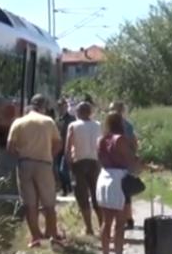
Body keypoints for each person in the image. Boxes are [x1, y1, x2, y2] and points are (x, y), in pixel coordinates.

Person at [7, 94, 65, 249]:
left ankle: (35, 238)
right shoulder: (48, 121)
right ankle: (53, 236)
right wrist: (49, 156)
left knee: (30, 204)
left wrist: (22, 157)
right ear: (43, 107)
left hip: (25, 164)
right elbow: (58, 144)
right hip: (44, 164)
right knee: (48, 203)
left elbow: (10, 147)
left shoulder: (18, 122)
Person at [96, 112, 141, 254]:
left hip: (104, 177)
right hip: (118, 179)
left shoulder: (100, 140)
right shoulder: (120, 139)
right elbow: (130, 160)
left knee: (106, 221)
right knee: (120, 222)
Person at [66, 102, 103, 235]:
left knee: (82, 195)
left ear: (78, 113)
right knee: (96, 195)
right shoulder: (98, 125)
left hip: (79, 162)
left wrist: (69, 164)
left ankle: (89, 227)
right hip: (94, 162)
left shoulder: (73, 126)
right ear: (90, 113)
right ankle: (102, 225)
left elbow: (68, 147)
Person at [109, 101, 138, 229]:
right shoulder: (127, 125)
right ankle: (127, 218)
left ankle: (124, 219)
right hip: (122, 162)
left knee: (120, 192)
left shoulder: (111, 127)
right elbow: (134, 144)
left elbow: (132, 143)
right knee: (125, 191)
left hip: (118, 163)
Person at [54, 99, 75, 196]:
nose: (61, 108)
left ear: (66, 107)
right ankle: (64, 189)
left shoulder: (71, 119)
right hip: (59, 147)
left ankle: (69, 188)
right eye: (59, 107)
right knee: (57, 169)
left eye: (63, 106)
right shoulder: (57, 120)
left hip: (68, 147)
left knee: (63, 170)